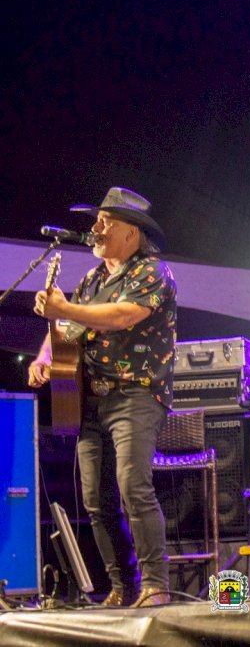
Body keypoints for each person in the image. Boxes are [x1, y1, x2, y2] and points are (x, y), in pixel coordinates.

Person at [29, 187, 176, 607]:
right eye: (97, 221)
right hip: (91, 400)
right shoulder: (93, 280)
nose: (95, 228)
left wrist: (65, 310)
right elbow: (66, 329)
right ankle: (123, 585)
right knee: (96, 498)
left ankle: (156, 585)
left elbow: (122, 315)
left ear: (131, 233)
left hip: (136, 395)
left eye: (105, 222)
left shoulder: (152, 272)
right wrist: (44, 356)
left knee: (133, 484)